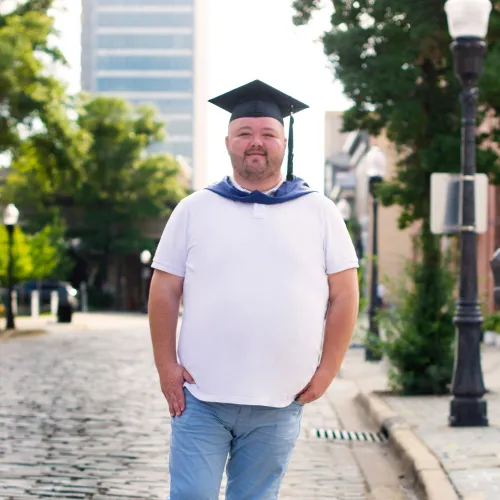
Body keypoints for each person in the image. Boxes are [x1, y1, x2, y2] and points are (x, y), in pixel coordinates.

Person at [148, 79, 360, 500]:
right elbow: (164, 290)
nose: (256, 143)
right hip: (200, 398)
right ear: (228, 141)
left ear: (284, 141)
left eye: (268, 134)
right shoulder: (195, 209)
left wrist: (328, 369)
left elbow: (345, 294)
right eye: (245, 133)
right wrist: (165, 366)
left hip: (280, 401)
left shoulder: (319, 211)